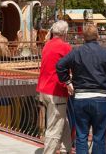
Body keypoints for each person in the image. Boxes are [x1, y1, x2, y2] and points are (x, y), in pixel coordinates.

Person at [56, 24, 106, 154]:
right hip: (100, 98)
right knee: (99, 137)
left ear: (83, 37)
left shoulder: (76, 52)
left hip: (80, 99)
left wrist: (68, 82)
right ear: (97, 36)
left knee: (81, 136)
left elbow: (60, 65)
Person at [37, 20, 73, 154]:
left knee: (61, 120)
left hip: (44, 89)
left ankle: (66, 149)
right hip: (56, 90)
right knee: (55, 125)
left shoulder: (47, 45)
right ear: (65, 33)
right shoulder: (65, 47)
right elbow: (71, 67)